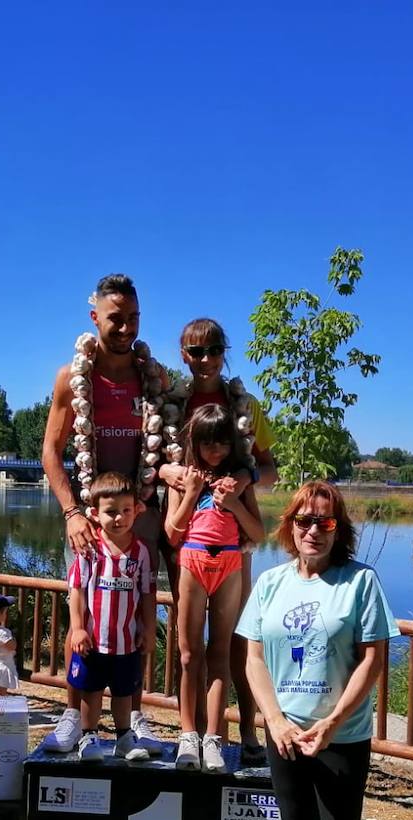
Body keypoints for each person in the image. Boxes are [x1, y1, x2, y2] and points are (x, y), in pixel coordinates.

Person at [236, 481, 393, 820]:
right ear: (289, 526)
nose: (312, 529)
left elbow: (373, 659)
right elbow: (254, 657)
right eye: (303, 519)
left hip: (339, 738)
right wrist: (274, 720)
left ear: (338, 529)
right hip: (286, 735)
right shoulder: (271, 582)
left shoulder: (359, 583)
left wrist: (331, 722)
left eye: (324, 522)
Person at [40, 274, 164, 756]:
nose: (126, 328)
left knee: (136, 617)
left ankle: (135, 721)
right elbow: (51, 451)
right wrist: (72, 511)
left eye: (134, 318)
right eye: (116, 318)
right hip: (89, 515)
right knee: (84, 615)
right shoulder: (72, 377)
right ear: (95, 318)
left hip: (141, 515)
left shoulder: (154, 376)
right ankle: (75, 718)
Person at [157, 319, 278, 766]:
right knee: (188, 648)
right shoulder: (170, 403)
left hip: (232, 546)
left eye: (213, 350)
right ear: (183, 354)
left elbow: (271, 469)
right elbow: (148, 461)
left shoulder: (246, 405)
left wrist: (245, 477)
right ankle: (195, 735)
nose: (204, 360)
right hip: (187, 540)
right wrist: (171, 476)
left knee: (235, 642)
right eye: (194, 352)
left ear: (225, 351)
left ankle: (243, 734)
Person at [164, 404, 264, 772]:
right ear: (196, 443)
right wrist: (191, 493)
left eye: (222, 442)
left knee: (219, 653)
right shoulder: (184, 477)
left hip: (230, 564)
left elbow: (258, 533)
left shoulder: (240, 479)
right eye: (208, 443)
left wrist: (234, 504)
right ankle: (188, 735)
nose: (216, 450)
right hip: (192, 562)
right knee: (189, 656)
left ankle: (213, 739)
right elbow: (172, 533)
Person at [65, 471, 155, 763]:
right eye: (111, 512)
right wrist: (78, 628)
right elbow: (77, 588)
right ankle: (89, 737)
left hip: (126, 641)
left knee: (123, 693)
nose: (119, 518)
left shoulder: (140, 551)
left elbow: (147, 593)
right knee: (90, 691)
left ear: (136, 510)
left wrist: (148, 627)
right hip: (94, 639)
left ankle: (124, 738)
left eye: (126, 511)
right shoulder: (90, 549)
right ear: (94, 513)